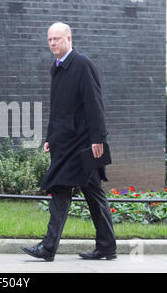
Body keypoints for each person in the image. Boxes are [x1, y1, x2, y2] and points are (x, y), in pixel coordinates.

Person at [21, 22, 117, 261]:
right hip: (65, 144)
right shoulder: (57, 66)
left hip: (83, 145)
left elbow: (95, 104)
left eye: (57, 39)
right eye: (50, 39)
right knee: (89, 193)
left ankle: (49, 247)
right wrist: (50, 138)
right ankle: (106, 246)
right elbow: (58, 110)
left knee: (64, 190)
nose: (53, 43)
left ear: (69, 39)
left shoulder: (83, 65)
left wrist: (99, 139)